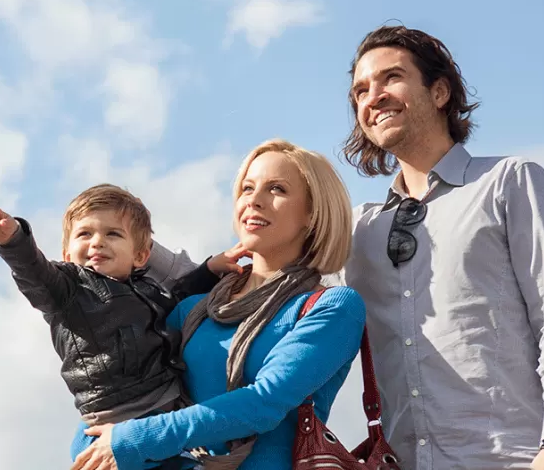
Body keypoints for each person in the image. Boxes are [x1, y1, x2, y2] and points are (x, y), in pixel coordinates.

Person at [335, 24, 544, 469]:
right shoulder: (358, 231)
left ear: (440, 92)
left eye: (391, 78)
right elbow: (274, 283)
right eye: (361, 90)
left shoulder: (510, 183)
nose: (373, 96)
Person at [73, 139, 367, 470]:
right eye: (246, 188)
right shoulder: (190, 310)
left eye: (277, 189)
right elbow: (122, 392)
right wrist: (95, 444)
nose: (254, 200)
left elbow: (263, 403)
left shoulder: (332, 307)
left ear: (313, 214)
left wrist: (131, 439)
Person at [0, 185, 229, 468]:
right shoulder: (68, 291)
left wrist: (208, 271)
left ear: (140, 256)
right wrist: (14, 242)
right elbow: (35, 274)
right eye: (85, 234)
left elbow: (179, 302)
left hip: (164, 410)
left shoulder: (147, 289)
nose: (97, 242)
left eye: (113, 234)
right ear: (67, 253)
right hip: (117, 416)